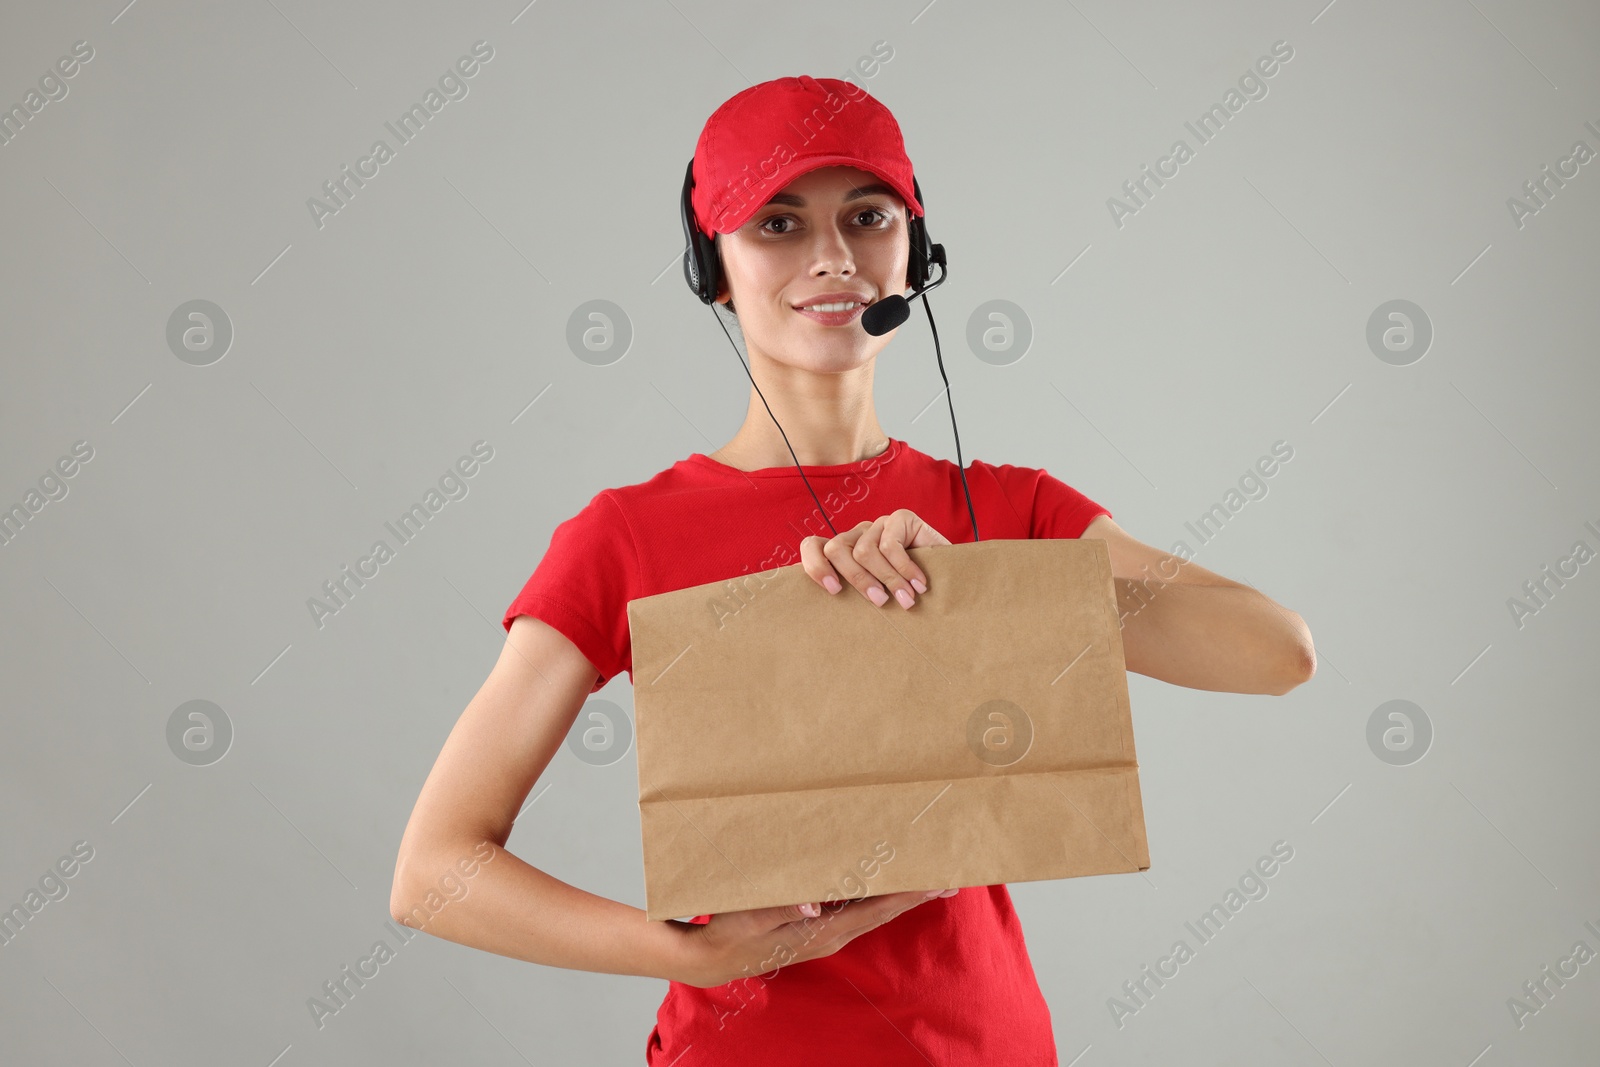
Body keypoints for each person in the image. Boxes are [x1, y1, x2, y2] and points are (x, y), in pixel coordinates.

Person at [389, 75, 1316, 1065]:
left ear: (919, 252)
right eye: (777, 223)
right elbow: (433, 870)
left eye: (866, 216)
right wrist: (684, 954)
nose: (832, 256)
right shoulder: (627, 535)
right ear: (713, 268)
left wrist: (988, 585)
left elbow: (1276, 653)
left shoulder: (1003, 509)